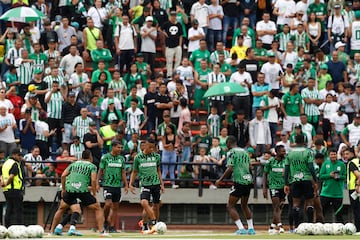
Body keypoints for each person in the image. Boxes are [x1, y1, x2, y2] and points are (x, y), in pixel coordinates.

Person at [51, 150, 108, 236]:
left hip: (70, 189)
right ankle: (101, 231)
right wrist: (94, 191)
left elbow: (63, 175)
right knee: (97, 208)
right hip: (82, 191)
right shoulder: (92, 166)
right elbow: (93, 180)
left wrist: (63, 188)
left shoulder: (73, 164)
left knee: (61, 209)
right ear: (90, 157)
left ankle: (52, 231)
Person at [215, 135, 256, 235]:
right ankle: (251, 229)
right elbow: (250, 167)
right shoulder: (245, 152)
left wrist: (220, 180)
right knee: (244, 205)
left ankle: (241, 228)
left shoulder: (232, 152)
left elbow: (230, 168)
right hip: (248, 180)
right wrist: (252, 179)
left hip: (239, 181)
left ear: (229, 143)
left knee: (230, 206)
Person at [129, 138, 165, 234]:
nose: (152, 149)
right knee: (144, 203)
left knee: (156, 205)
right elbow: (134, 171)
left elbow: (158, 170)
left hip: (156, 183)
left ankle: (148, 226)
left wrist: (162, 183)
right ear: (145, 146)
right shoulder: (138, 158)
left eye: (153, 148)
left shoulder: (156, 156)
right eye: (150, 147)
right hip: (145, 184)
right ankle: (154, 222)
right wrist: (130, 183)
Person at [284, 135, 318, 229]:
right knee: (310, 203)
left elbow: (286, 169)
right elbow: (311, 167)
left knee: (295, 204)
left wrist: (286, 183)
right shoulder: (308, 152)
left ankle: (297, 227)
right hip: (307, 179)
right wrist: (315, 181)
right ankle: (310, 226)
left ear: (295, 141)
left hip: (295, 180)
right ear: (304, 141)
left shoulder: (290, 153)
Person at [97, 140, 128, 233]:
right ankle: (105, 221)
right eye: (118, 147)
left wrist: (126, 184)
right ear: (113, 147)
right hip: (107, 185)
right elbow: (100, 170)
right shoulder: (105, 157)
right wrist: (97, 182)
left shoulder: (121, 159)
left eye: (121, 147)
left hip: (117, 186)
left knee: (115, 207)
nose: (120, 149)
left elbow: (123, 172)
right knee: (107, 204)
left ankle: (111, 226)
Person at [263, 145, 286, 234]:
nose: (284, 153)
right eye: (282, 151)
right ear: (277, 152)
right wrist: (264, 188)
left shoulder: (286, 161)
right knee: (276, 206)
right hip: (273, 186)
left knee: (280, 207)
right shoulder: (270, 161)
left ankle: (272, 226)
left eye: (284, 151)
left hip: (283, 187)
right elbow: (265, 174)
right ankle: (280, 226)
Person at [319, 148, 346, 223]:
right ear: (329, 155)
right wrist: (329, 175)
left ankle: (340, 229)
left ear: (337, 155)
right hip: (326, 193)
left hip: (338, 194)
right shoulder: (325, 164)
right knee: (322, 212)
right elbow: (321, 176)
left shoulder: (342, 165)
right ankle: (319, 228)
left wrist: (339, 177)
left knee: (339, 214)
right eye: (331, 154)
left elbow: (345, 177)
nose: (333, 156)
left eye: (334, 154)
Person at [1, 148, 25, 228]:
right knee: (18, 210)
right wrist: (6, 183)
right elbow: (11, 176)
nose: (20, 157)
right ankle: (20, 228)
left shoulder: (6, 163)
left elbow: (1, 175)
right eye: (19, 155)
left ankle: (7, 227)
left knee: (9, 208)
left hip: (6, 190)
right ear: (14, 155)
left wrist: (3, 183)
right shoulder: (15, 164)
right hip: (15, 189)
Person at [346, 147, 360, 232]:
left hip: (354, 189)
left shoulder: (351, 163)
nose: (345, 156)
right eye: (344, 154)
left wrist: (357, 185)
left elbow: (358, 175)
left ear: (352, 154)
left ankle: (358, 230)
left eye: (347, 154)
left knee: (356, 210)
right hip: (355, 189)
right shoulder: (358, 161)